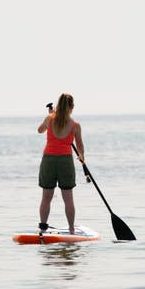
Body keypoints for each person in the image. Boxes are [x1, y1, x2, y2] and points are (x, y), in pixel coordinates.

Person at [37, 93, 85, 234]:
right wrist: (82, 158)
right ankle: (71, 230)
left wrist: (50, 116)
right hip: (65, 161)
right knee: (68, 198)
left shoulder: (49, 119)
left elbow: (40, 130)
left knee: (46, 197)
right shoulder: (75, 125)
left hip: (49, 160)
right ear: (72, 107)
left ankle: (42, 228)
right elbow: (80, 146)